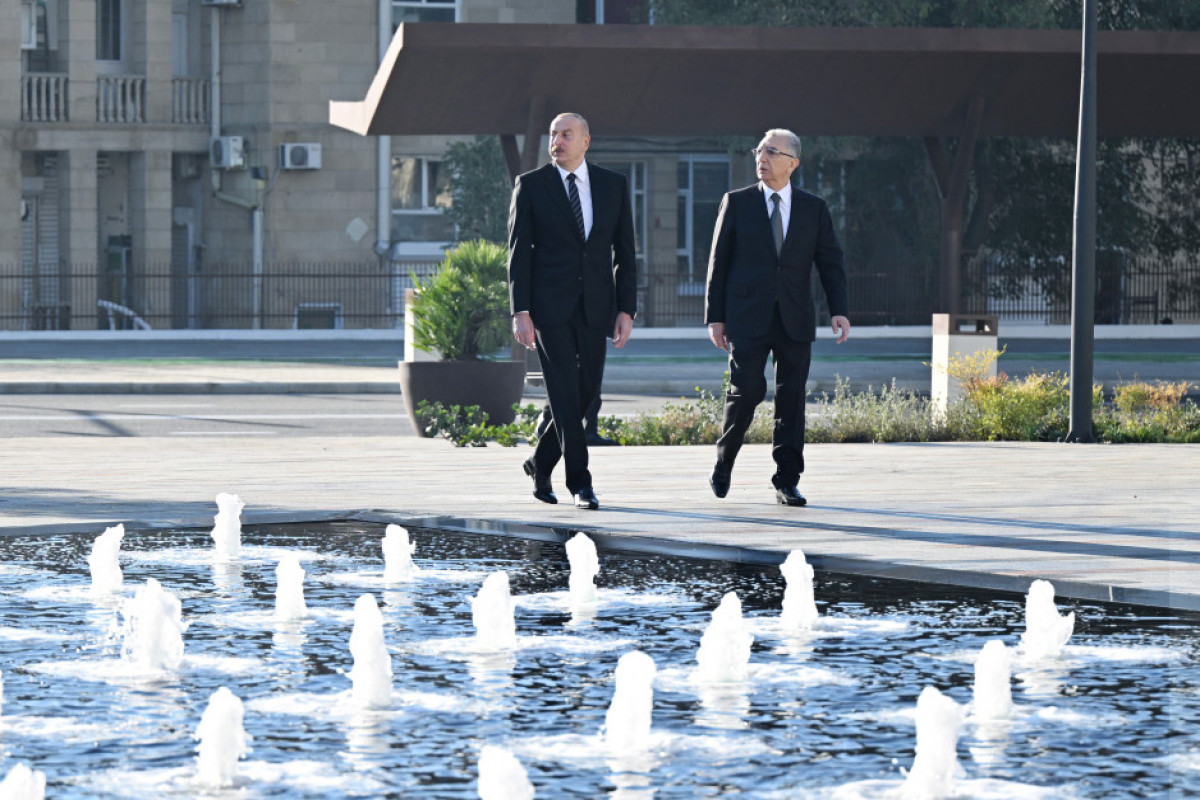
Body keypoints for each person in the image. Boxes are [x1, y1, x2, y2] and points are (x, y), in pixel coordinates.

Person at [704, 128, 850, 506]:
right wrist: (715, 317)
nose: (762, 158)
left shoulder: (813, 208)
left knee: (792, 400)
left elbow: (830, 262)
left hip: (795, 317)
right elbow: (718, 263)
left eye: (771, 152)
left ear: (792, 163)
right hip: (747, 316)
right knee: (747, 390)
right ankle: (724, 461)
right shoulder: (736, 203)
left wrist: (840, 310)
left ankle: (787, 479)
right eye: (759, 150)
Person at [509, 112, 637, 509]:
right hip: (549, 309)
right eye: (553, 134)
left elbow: (625, 254)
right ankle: (580, 483)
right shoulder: (531, 186)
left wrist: (626, 309)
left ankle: (539, 460)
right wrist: (521, 311)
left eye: (566, 134)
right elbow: (518, 254)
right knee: (564, 391)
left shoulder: (613, 185)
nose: (557, 141)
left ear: (586, 141)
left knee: (586, 393)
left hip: (597, 306)